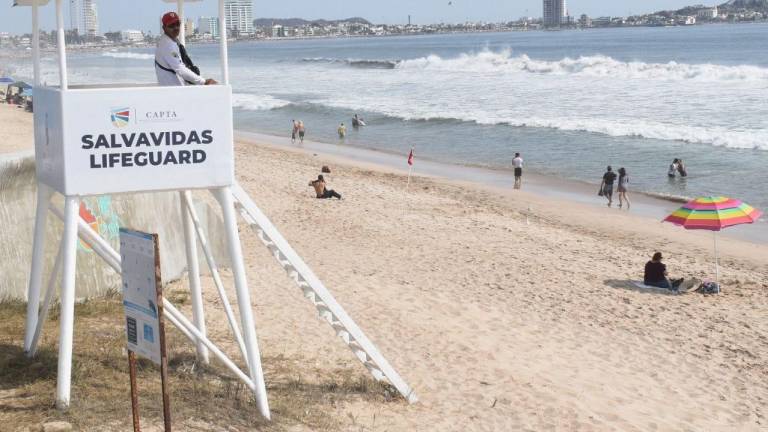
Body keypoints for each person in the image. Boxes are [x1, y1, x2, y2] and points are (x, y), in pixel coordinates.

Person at [154, 12, 217, 87]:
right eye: (172, 25)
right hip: (173, 91)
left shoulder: (169, 41)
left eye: (178, 24)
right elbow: (180, 69)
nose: (176, 27)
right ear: (164, 28)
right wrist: (203, 81)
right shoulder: (168, 45)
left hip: (174, 89)